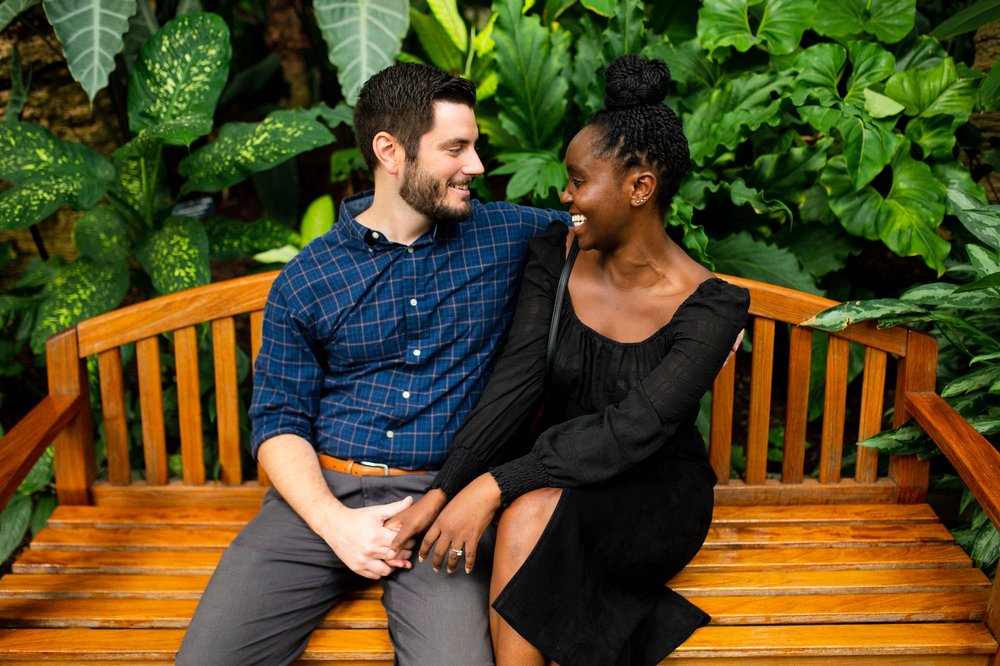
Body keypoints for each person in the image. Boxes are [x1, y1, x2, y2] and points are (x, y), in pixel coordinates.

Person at [177, 62, 567, 666]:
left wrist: (694, 311)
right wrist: (336, 524)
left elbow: (616, 225)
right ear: (390, 150)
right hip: (320, 497)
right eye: (456, 149)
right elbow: (278, 422)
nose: (478, 167)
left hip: (441, 505)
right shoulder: (308, 280)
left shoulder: (505, 234)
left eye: (475, 147)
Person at [387, 55, 750, 665]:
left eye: (579, 182)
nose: (565, 196)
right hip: (553, 477)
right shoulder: (553, 261)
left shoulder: (711, 307)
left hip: (652, 493)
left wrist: (496, 485)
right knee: (533, 518)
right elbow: (515, 388)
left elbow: (638, 428)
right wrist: (450, 487)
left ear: (640, 188)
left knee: (528, 516)